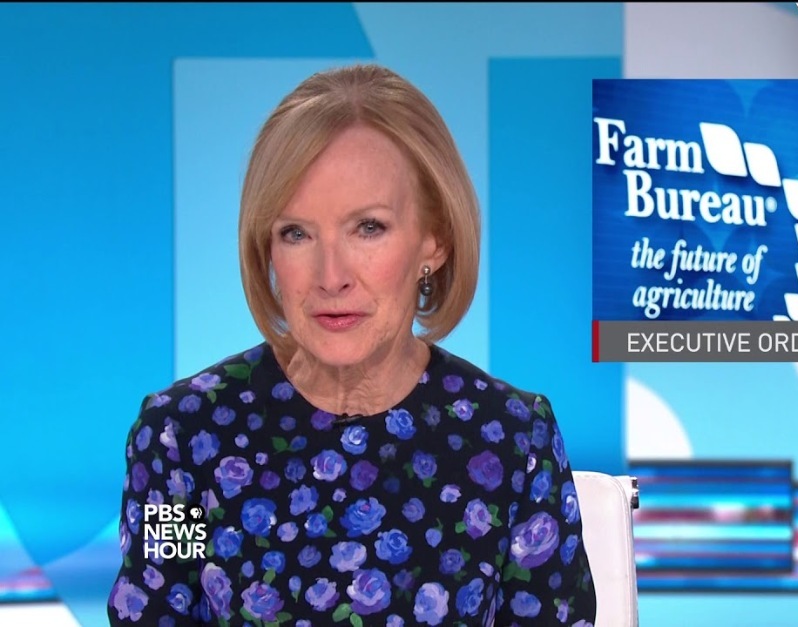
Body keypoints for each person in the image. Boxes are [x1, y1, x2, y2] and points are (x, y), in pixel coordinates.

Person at [108, 64, 596, 627]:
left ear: (434, 240)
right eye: (296, 233)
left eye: (368, 228)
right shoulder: (181, 441)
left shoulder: (514, 439)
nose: (331, 276)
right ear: (267, 250)